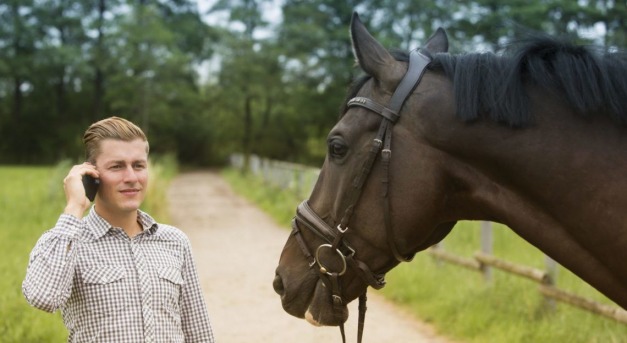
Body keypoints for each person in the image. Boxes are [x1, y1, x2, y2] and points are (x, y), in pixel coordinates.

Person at [22, 116, 215, 342]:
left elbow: (198, 332)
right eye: (117, 166)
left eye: (139, 165)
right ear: (91, 176)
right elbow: (43, 297)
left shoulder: (175, 241)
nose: (132, 177)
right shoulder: (67, 242)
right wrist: (75, 207)